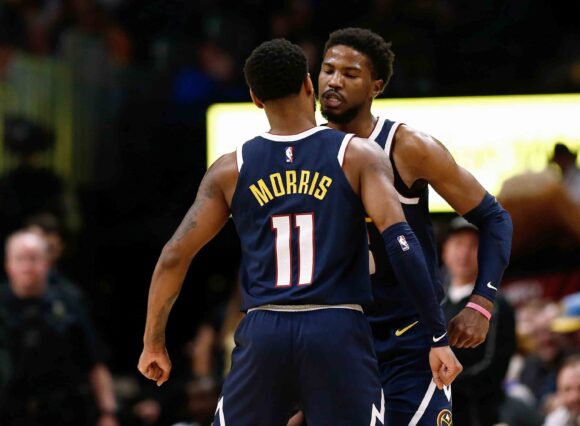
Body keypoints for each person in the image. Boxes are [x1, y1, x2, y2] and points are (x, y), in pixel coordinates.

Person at [137, 39, 461, 425]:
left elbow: (174, 254)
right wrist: (437, 336)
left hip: (263, 329)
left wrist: (153, 342)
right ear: (309, 85)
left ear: (255, 98)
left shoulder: (230, 169)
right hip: (337, 327)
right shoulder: (357, 154)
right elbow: (400, 241)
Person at [318, 27, 512, 424]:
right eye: (327, 69)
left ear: (376, 86)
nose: (334, 81)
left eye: (349, 74)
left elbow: (494, 218)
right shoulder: (305, 151)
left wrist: (481, 301)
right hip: (336, 336)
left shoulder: (408, 147)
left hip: (409, 337)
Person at [0, 230, 118, 425]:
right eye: (20, 259)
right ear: (8, 264)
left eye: (34, 259)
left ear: (47, 263)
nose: (27, 267)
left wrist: (108, 413)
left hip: (66, 411)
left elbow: (94, 360)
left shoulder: (69, 300)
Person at [440, 217, 518, 426]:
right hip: (435, 409)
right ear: (445, 249)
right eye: (458, 244)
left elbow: (493, 367)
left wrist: (442, 382)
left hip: (477, 414)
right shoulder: (433, 299)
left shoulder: (497, 304)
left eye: (473, 246)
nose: (464, 253)